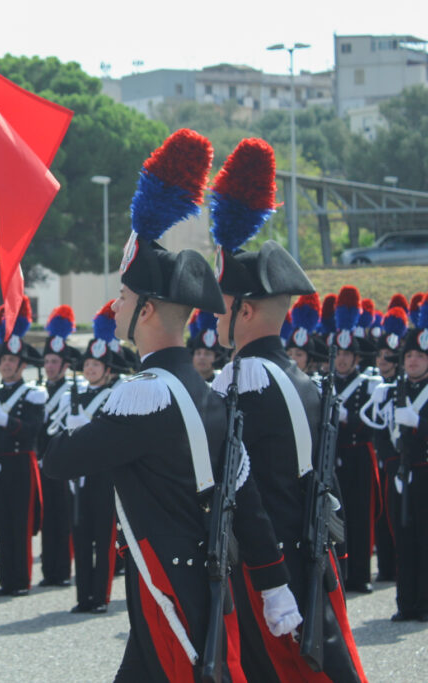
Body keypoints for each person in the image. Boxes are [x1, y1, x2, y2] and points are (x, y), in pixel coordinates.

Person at [45, 129, 299, 681]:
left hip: (167, 589)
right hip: (201, 584)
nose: (114, 307)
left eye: (126, 298)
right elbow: (246, 501)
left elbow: (61, 459)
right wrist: (274, 581)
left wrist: (79, 406)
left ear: (150, 309)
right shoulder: (207, 395)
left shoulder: (145, 395)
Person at [210, 137, 367, 681]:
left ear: (246, 309)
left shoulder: (245, 380)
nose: (213, 317)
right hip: (310, 557)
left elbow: (239, 486)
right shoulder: (300, 379)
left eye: (222, 307)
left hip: (266, 568)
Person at [59, 300, 129, 614]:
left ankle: (99, 596)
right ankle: (82, 595)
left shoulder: (115, 395)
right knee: (81, 535)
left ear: (108, 370)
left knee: (103, 537)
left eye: (96, 366)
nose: (89, 369)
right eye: (87, 365)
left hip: (103, 475)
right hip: (80, 475)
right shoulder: (77, 396)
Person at [0, 296, 46, 597]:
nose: (6, 365)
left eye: (11, 361)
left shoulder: (32, 394)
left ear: (22, 365)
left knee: (20, 524)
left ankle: (21, 580)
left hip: (21, 464)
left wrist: (7, 422)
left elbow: (35, 430)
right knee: (2, 522)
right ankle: (5, 579)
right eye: (4, 360)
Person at [331, 285, 382, 593]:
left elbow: (373, 423)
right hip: (334, 455)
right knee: (337, 516)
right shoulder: (325, 384)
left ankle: (360, 574)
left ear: (356, 357)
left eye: (348, 354)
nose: (342, 360)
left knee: (361, 515)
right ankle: (339, 572)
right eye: (338, 354)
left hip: (359, 454)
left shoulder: (368, 384)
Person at [361, 301, 409, 583]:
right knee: (382, 515)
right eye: (380, 357)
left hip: (400, 460)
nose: (382, 362)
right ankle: (388, 568)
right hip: (381, 459)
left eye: (389, 358)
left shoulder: (404, 386)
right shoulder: (378, 387)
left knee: (402, 519)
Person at [390, 305, 428, 621]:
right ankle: (407, 603)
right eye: (408, 356)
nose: (412, 361)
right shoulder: (400, 389)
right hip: (405, 471)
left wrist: (419, 422)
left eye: (419, 355)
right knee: (405, 538)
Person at [37, 305, 79, 588]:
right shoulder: (39, 390)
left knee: (63, 519)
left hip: (64, 463)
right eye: (48, 361)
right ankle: (48, 571)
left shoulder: (71, 392)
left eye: (55, 362)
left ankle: (62, 571)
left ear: (65, 366)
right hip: (41, 462)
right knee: (46, 517)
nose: (50, 366)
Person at [285, 293, 326, 376]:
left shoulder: (318, 387)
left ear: (310, 360)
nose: (293, 359)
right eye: (289, 354)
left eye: (299, 354)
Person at [186, 310, 222, 382]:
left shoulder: (224, 381)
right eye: (198, 353)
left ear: (216, 357)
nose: (202, 357)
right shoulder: (184, 382)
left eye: (207, 353)